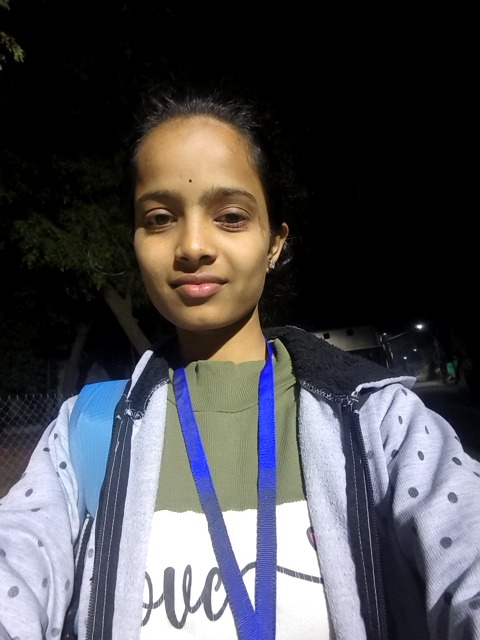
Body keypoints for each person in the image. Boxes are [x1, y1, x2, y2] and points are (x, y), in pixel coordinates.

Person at [0, 86, 479, 640]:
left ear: (274, 242)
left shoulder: (381, 423)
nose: (192, 245)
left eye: (230, 216)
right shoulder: (85, 431)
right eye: (159, 217)